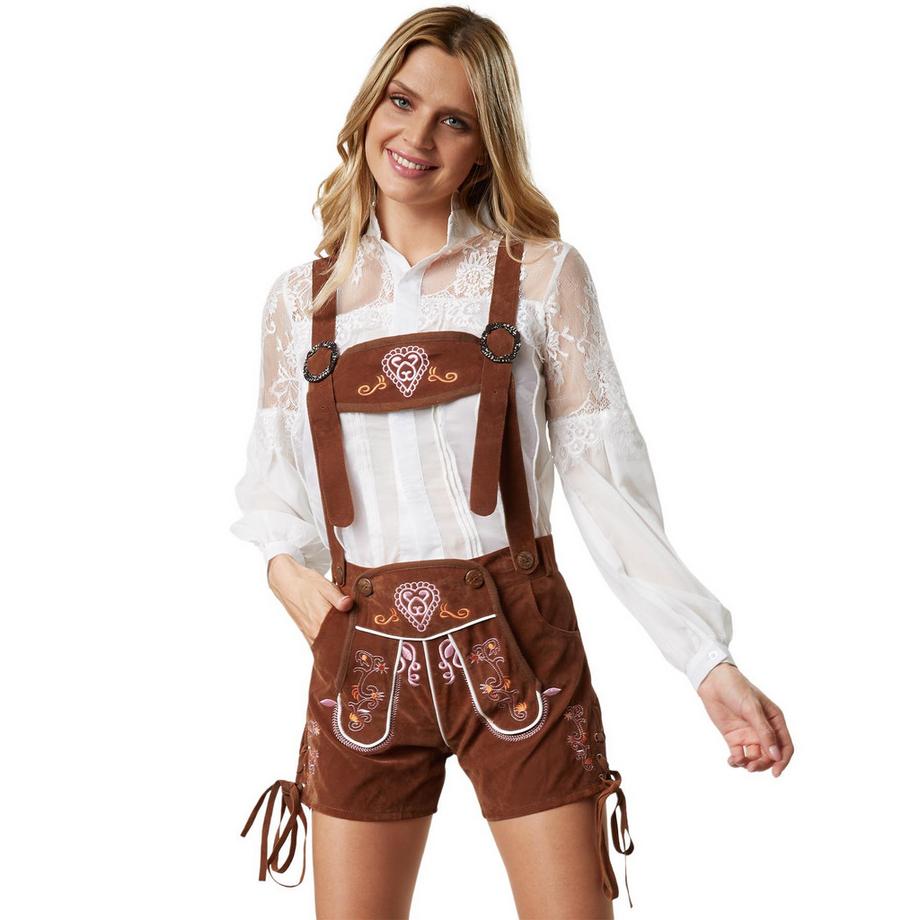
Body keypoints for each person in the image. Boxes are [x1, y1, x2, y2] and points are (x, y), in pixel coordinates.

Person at [230, 6, 794, 917]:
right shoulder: (300, 301)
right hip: (363, 651)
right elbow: (273, 488)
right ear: (369, 107)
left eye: (453, 120)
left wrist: (706, 660)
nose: (418, 138)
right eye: (402, 102)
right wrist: (280, 569)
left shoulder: (541, 275)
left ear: (485, 147)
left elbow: (609, 487)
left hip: (519, 642)